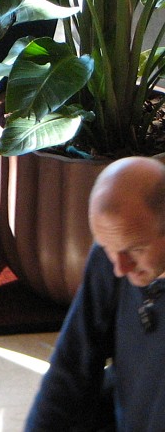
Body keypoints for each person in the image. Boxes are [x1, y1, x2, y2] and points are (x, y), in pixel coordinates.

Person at [25, 156, 165, 431]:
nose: (120, 268)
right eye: (108, 247)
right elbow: (72, 367)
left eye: (136, 249)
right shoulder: (111, 258)